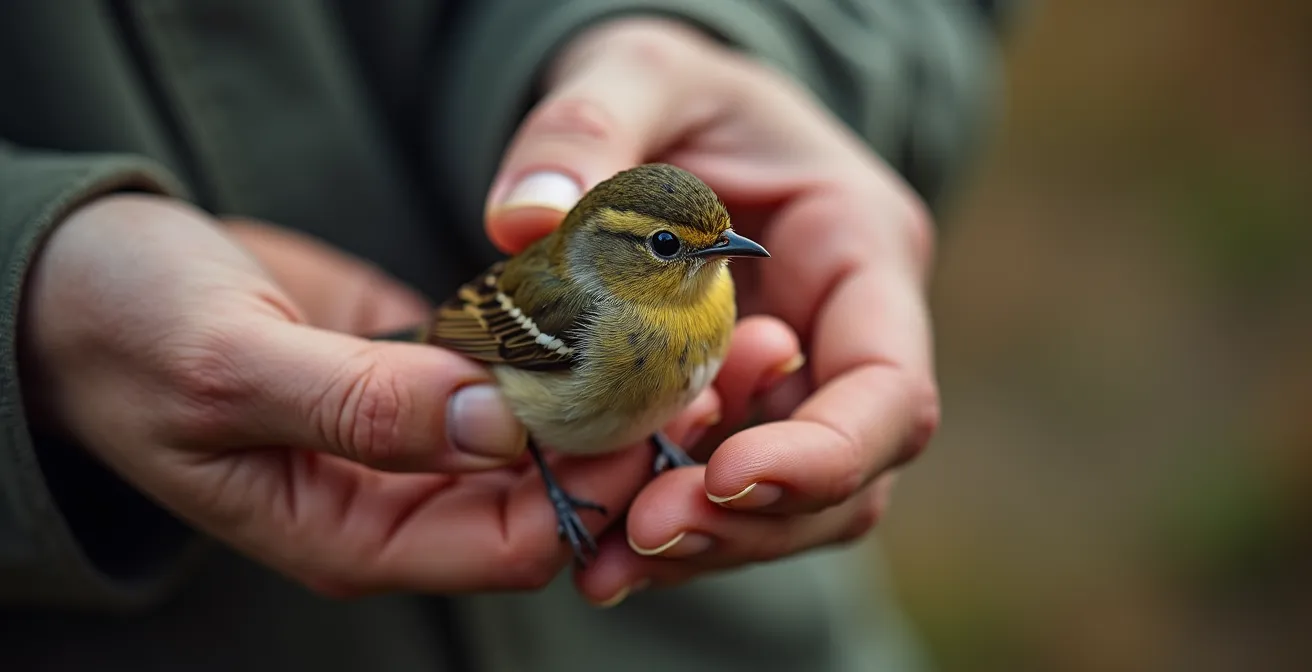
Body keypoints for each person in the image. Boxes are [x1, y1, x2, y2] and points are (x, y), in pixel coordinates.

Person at [0, 2, 1006, 670]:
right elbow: (479, 337)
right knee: (525, 434)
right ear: (612, 255)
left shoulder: (705, 295)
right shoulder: (577, 314)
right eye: (671, 246)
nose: (718, 256)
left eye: (715, 242)